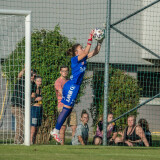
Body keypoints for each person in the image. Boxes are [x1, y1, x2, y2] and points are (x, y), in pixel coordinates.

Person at [50, 29, 103, 143]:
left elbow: (95, 52)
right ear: (76, 52)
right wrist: (90, 38)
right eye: (81, 48)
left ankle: (56, 130)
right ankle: (55, 130)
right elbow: (85, 52)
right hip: (71, 86)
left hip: (75, 87)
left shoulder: (83, 58)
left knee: (69, 110)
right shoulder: (74, 59)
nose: (83, 49)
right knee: (66, 109)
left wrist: (99, 41)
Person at [55, 65, 77, 145]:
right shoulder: (58, 82)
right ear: (60, 72)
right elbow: (61, 93)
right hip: (62, 106)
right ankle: (62, 145)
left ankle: (74, 144)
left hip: (71, 105)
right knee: (63, 127)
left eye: (66, 71)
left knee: (74, 126)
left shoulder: (69, 81)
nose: (64, 72)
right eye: (63, 71)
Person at [11, 68, 25, 144]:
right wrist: (24, 69)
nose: (32, 76)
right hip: (16, 106)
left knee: (22, 123)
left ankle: (21, 140)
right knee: (20, 122)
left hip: (23, 106)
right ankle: (17, 140)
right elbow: (19, 76)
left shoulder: (32, 84)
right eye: (31, 74)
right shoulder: (21, 81)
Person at [30, 76, 43, 144]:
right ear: (35, 81)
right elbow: (31, 99)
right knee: (33, 126)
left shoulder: (41, 89)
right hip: (34, 108)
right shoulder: (33, 89)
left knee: (37, 126)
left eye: (40, 81)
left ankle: (34, 142)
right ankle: (30, 141)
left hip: (40, 108)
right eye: (38, 81)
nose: (39, 82)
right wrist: (35, 99)